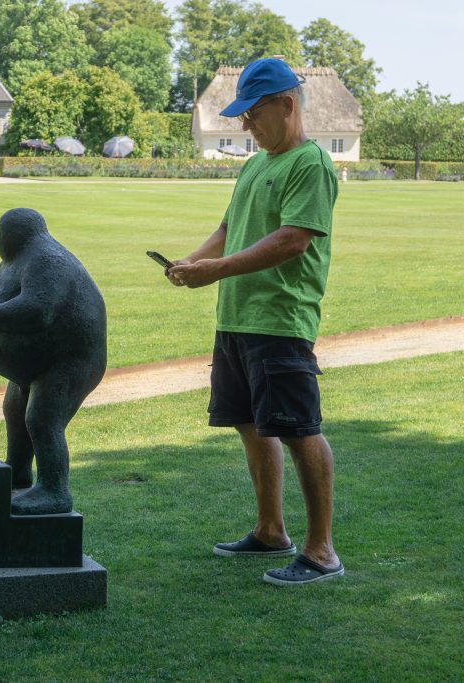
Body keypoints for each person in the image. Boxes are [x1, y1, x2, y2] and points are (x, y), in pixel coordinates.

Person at [167, 58, 343, 586]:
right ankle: (270, 531)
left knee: (298, 430)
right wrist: (193, 261)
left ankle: (321, 551)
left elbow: (293, 240)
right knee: (250, 423)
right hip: (237, 317)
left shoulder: (310, 164)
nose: (246, 125)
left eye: (253, 113)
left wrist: (216, 270)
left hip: (281, 319)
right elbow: (229, 227)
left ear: (286, 105)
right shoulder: (254, 165)